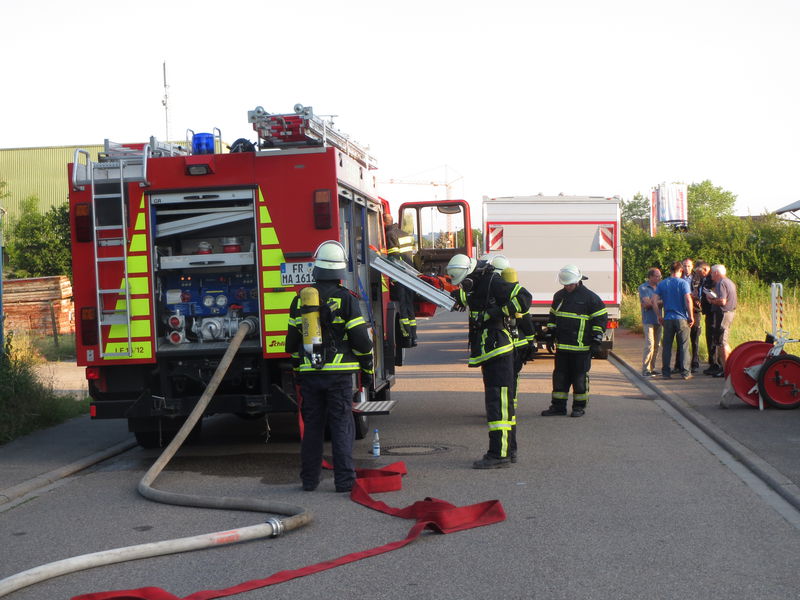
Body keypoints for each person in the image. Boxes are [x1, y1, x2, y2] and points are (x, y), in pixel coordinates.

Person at [285, 241, 374, 493]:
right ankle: (344, 482)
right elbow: (361, 342)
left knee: (313, 426)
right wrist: (367, 368)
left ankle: (309, 481)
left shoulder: (300, 301)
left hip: (310, 375)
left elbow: (291, 343)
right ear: (340, 270)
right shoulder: (347, 299)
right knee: (341, 424)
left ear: (317, 268)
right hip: (339, 376)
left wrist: (298, 369)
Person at [447, 253, 532, 469]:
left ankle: (498, 454)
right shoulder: (478, 284)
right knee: (503, 405)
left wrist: (497, 313)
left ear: (470, 273)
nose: (463, 285)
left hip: (499, 352)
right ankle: (508, 450)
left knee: (498, 406)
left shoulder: (493, 281)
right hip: (492, 352)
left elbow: (524, 298)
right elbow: (472, 298)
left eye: (463, 281)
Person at [541, 264, 607, 418]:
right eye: (565, 284)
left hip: (581, 349)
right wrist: (550, 335)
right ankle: (558, 407)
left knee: (579, 379)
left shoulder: (590, 298)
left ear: (578, 281)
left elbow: (600, 319)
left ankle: (579, 407)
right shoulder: (559, 296)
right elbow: (553, 317)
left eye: (570, 284)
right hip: (563, 348)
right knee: (559, 378)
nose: (568, 287)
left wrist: (596, 340)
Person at [491, 255, 536, 425]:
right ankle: (510, 408)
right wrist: (531, 343)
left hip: (499, 346)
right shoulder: (518, 298)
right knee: (512, 378)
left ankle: (501, 409)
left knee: (499, 379)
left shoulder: (494, 296)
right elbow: (527, 324)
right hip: (518, 346)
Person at [653, 261, 694, 380]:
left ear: (671, 270)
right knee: (684, 346)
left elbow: (654, 300)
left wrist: (659, 315)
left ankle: (666, 373)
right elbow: (688, 300)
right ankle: (685, 372)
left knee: (667, 346)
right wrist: (691, 316)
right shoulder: (683, 283)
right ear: (681, 271)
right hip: (681, 318)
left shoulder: (662, 284)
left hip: (668, 318)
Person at [383, 213, 417, 347]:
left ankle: (406, 336)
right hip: (410, 274)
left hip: (401, 275)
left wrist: (393, 277)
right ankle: (414, 336)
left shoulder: (390, 234)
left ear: (384, 222)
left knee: (402, 308)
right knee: (409, 306)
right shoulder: (405, 234)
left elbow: (394, 257)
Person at [707, 264, 737, 377]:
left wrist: (711, 300)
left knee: (721, 342)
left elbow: (722, 301)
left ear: (716, 273)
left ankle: (726, 369)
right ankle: (730, 366)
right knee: (723, 340)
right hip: (730, 312)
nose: (711, 275)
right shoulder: (729, 282)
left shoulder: (721, 283)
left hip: (723, 313)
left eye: (711, 273)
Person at [673, 258, 701, 373]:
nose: (687, 268)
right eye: (684, 266)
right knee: (681, 338)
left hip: (695, 310)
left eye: (689, 266)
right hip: (681, 310)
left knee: (695, 337)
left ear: (692, 266)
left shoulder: (697, 277)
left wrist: (697, 298)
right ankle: (678, 364)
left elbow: (702, 292)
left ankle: (695, 363)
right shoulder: (679, 277)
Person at [638, 267, 662, 377]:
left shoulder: (661, 287)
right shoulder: (643, 287)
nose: (659, 278)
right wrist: (658, 302)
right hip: (648, 320)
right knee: (650, 344)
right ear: (650, 277)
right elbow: (646, 303)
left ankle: (652, 367)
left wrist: (653, 302)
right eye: (656, 276)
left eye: (660, 276)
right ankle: (646, 369)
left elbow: (649, 304)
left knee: (657, 345)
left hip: (659, 319)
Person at [700, 263, 721, 376]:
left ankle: (715, 363)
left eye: (701, 272)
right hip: (709, 312)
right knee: (710, 337)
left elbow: (715, 294)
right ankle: (712, 362)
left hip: (713, 312)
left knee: (712, 337)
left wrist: (709, 295)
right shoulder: (705, 279)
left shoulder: (712, 281)